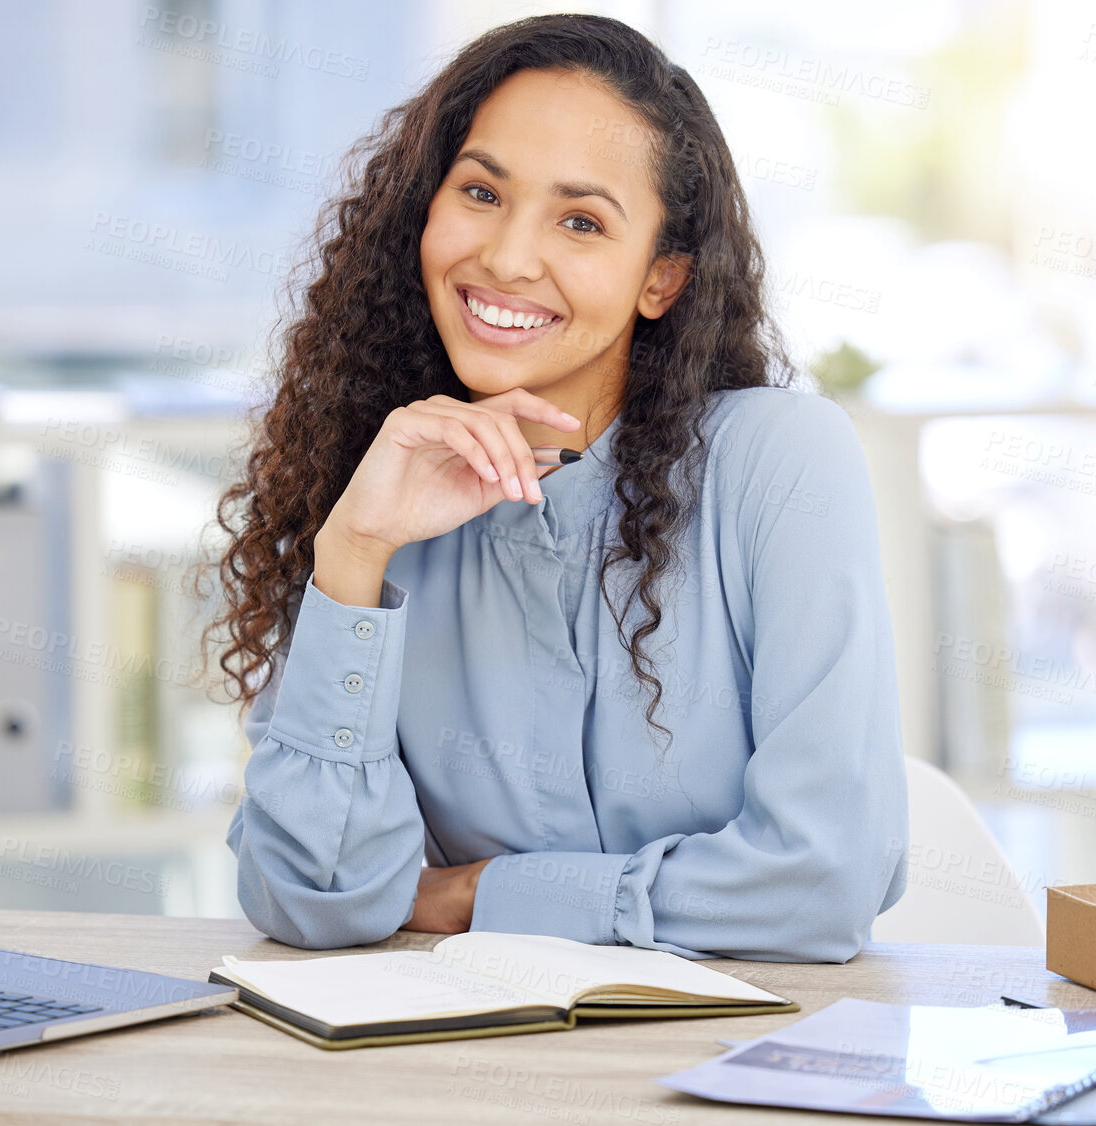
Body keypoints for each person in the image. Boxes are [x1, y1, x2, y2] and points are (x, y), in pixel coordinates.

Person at [210, 13, 908, 962]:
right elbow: (309, 898)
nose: (504, 259)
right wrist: (353, 557)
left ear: (660, 278)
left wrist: (479, 894)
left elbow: (821, 885)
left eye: (580, 221)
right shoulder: (376, 487)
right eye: (480, 192)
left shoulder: (780, 461)